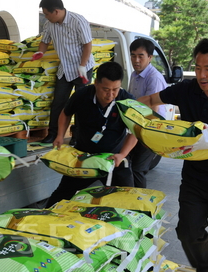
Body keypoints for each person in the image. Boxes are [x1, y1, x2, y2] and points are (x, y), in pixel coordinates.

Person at [138, 37, 208, 272]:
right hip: (195, 177)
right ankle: (207, 267)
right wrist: (130, 113)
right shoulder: (188, 89)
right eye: (198, 68)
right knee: (187, 231)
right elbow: (150, 100)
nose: (202, 75)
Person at [46, 61, 137, 207]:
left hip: (114, 158)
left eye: (115, 89)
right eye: (106, 89)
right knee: (62, 195)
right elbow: (65, 113)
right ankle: (45, 217)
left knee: (128, 199)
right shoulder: (82, 95)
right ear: (96, 83)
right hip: (85, 157)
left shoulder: (127, 100)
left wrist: (123, 154)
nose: (110, 95)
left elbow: (135, 130)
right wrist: (59, 136)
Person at [34, 0, 95, 144]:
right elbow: (45, 41)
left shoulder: (78, 21)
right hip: (64, 69)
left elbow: (88, 45)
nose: (46, 17)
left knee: (82, 104)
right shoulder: (49, 24)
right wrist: (40, 52)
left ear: (56, 11)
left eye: (47, 14)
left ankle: (77, 135)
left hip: (83, 69)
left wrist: (82, 65)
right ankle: (53, 134)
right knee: (58, 103)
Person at [128, 38, 167, 188]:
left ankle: (140, 205)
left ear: (150, 57)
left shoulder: (154, 78)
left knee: (138, 168)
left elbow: (153, 111)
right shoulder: (134, 74)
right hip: (137, 128)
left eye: (140, 56)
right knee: (127, 165)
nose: (136, 60)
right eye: (133, 56)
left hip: (151, 131)